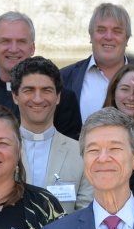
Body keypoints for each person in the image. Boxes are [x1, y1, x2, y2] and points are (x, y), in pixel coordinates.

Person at [58, 3, 134, 139]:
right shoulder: (64, 78)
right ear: (90, 36)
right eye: (101, 30)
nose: (108, 37)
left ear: (126, 39)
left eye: (117, 31)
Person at [12, 56, 88, 211]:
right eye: (29, 90)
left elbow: (85, 213)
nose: (38, 99)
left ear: (58, 97)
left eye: (46, 90)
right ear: (15, 96)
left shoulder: (81, 152)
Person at [0, 10, 34, 107]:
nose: (13, 49)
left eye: (21, 41)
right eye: (5, 41)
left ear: (32, 48)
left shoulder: (56, 99)